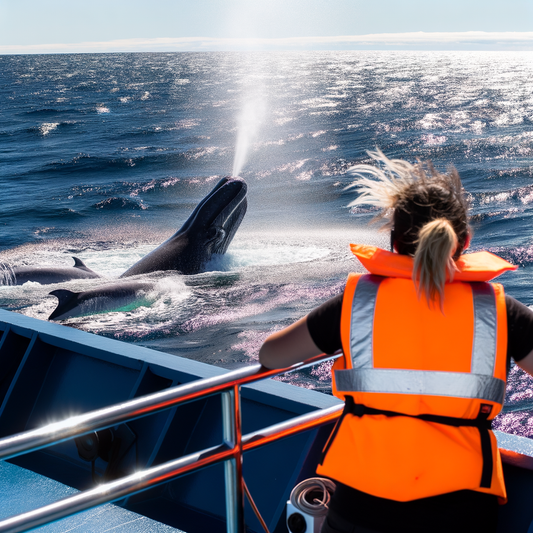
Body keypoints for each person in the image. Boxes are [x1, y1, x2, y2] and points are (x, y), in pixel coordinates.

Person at [258, 150, 533, 533]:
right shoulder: (501, 311)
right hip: (460, 507)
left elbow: (271, 355)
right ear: (464, 240)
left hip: (361, 503)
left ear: (393, 240)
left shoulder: (358, 303)